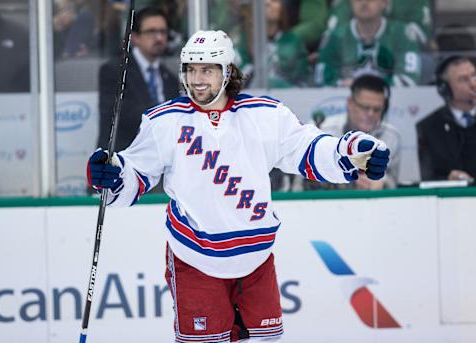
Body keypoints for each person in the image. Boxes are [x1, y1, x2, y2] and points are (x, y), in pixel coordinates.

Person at [87, 30, 390, 342]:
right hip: (195, 259)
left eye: (207, 70)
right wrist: (112, 174)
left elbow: (308, 149)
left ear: (227, 71)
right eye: (191, 69)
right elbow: (135, 172)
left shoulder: (265, 115)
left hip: (256, 261)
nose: (197, 79)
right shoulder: (165, 122)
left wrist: (351, 154)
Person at [97, 7, 180, 153]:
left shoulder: (171, 79)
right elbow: (120, 113)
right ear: (135, 37)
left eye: (163, 32)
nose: (159, 38)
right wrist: (164, 118)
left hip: (160, 161)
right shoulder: (114, 71)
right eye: (152, 32)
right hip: (123, 160)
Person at [317, 74, 401, 189]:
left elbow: (393, 182)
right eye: (365, 107)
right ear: (350, 103)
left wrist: (382, 183)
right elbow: (301, 183)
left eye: (377, 109)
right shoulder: (324, 129)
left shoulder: (391, 136)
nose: (370, 114)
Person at [316, 0, 422, 87]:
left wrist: (364, 87)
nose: (364, 2)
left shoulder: (402, 34)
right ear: (350, 2)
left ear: (384, 2)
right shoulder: (334, 37)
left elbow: (408, 80)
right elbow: (322, 81)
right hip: (342, 105)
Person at [417, 56, 476, 182]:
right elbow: (428, 178)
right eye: (463, 79)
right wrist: (447, 179)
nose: (473, 84)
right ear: (445, 89)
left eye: (474, 75)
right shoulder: (429, 126)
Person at [236, 0, 311, 88]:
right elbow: (239, 77)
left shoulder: (293, 40)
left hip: (290, 97)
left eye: (274, 0)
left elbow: (304, 78)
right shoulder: (242, 39)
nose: (269, 3)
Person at [327, 0, 432, 47]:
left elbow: (422, 37)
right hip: (351, 58)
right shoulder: (345, 2)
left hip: (397, 55)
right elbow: (332, 35)